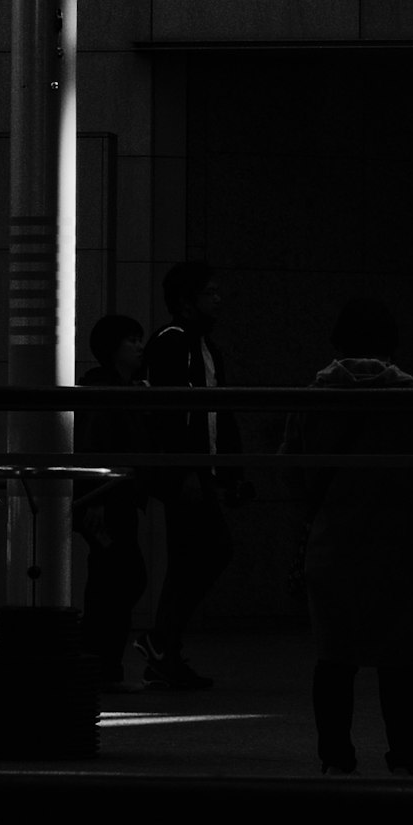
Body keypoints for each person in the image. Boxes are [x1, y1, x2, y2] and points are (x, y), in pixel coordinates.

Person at [283, 299, 413, 774]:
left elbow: (294, 470)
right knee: (399, 659)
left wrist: (318, 513)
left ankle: (336, 756)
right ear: (392, 345)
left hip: (335, 539)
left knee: (335, 657)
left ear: (338, 343)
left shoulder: (316, 396)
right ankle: (406, 755)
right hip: (397, 542)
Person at [138, 260, 244, 691]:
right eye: (210, 293)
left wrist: (229, 470)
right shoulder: (173, 341)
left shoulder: (204, 347)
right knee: (211, 549)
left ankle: (164, 650)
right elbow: (170, 414)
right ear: (186, 301)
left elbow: (218, 413)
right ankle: (161, 641)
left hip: (198, 470)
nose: (218, 299)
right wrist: (184, 470)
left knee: (190, 558)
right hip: (187, 470)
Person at [74, 313, 152, 692]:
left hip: (113, 497)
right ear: (112, 350)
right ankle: (100, 658)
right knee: (119, 576)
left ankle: (101, 659)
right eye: (131, 341)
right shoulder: (106, 392)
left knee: (112, 577)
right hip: (107, 498)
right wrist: (95, 500)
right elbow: (95, 447)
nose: (140, 346)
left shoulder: (123, 388)